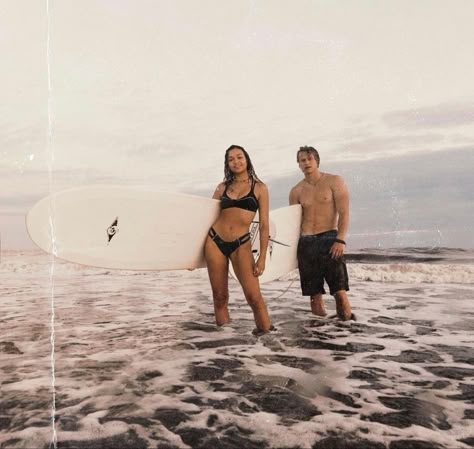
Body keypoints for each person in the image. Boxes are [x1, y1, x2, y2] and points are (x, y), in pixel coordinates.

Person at [204, 145, 273, 333]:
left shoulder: (260, 188)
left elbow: (264, 225)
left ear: (247, 159)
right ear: (227, 163)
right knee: (219, 296)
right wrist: (189, 256)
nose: (236, 162)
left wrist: (262, 258)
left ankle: (267, 338)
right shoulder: (222, 187)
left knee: (253, 296)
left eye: (239, 157)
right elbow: (205, 219)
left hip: (241, 243)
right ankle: (225, 342)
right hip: (214, 241)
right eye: (231, 159)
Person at [289, 146, 354, 321]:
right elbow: (293, 224)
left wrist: (340, 240)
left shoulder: (334, 181)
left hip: (330, 239)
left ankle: (347, 330)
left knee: (339, 291)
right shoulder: (296, 191)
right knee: (314, 294)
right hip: (306, 243)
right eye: (302, 160)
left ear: (317, 160)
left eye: (310, 159)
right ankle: (322, 337)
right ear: (299, 165)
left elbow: (345, 213)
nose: (306, 163)